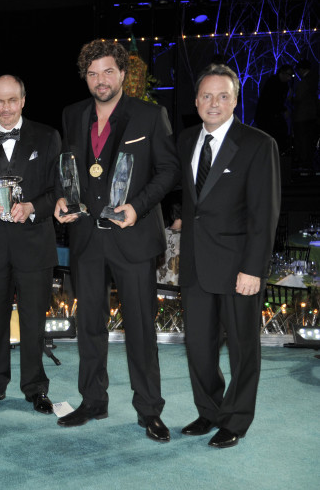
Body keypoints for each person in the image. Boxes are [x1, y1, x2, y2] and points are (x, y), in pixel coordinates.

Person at [55, 40, 179, 442]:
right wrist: (62, 198)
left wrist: (137, 208)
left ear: (123, 73)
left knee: (140, 330)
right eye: (92, 74)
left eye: (108, 71)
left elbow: (168, 171)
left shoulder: (150, 115)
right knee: (89, 326)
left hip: (133, 238)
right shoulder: (73, 114)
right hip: (87, 239)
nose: (101, 80)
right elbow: (69, 170)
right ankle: (93, 401)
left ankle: (149, 410)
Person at [177, 64, 280, 448]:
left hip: (239, 268)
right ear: (196, 101)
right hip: (196, 266)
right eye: (206, 96)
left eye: (223, 96)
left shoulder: (258, 144)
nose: (213, 103)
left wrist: (254, 268)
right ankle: (209, 411)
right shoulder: (186, 140)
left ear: (235, 100)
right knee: (198, 349)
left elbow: (264, 214)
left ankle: (236, 420)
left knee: (242, 349)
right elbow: (193, 199)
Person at [0, 75, 60, 414]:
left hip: (35, 244)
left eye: (12, 100)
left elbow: (58, 190)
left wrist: (33, 207)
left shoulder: (48, 137)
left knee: (34, 321)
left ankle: (35, 387)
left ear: (23, 101)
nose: (6, 108)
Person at [253, 64, 293, 155]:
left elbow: (278, 101)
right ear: (282, 73)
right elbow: (272, 100)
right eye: (288, 75)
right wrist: (283, 109)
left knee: (279, 132)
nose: (289, 78)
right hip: (266, 115)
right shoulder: (273, 82)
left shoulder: (284, 85)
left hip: (272, 115)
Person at [292, 60, 319, 171]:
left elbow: (298, 97)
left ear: (301, 70)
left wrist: (291, 99)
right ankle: (308, 162)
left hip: (302, 115)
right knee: (309, 140)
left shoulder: (304, 82)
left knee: (302, 139)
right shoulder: (314, 80)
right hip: (312, 114)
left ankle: (303, 162)